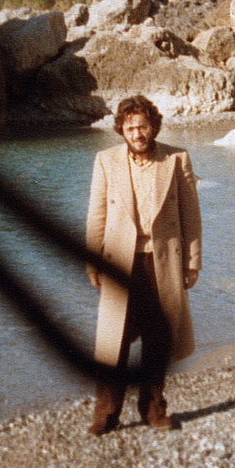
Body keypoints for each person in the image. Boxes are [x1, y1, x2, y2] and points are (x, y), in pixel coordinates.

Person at [86, 95, 202, 434]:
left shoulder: (177, 159)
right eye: (130, 127)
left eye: (143, 127)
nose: (137, 133)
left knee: (158, 337)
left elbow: (191, 216)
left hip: (164, 262)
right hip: (118, 261)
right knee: (114, 341)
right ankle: (106, 413)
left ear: (153, 127)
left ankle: (153, 408)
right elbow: (96, 215)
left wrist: (193, 262)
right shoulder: (105, 160)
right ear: (121, 129)